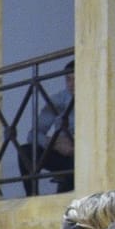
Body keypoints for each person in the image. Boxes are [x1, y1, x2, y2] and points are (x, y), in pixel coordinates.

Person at [18, 62, 74, 196]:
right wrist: (54, 143)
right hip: (64, 153)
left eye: (77, 79)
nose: (72, 84)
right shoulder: (58, 100)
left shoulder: (98, 97)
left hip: (88, 154)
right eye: (68, 79)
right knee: (26, 151)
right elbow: (33, 134)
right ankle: (32, 198)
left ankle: (66, 189)